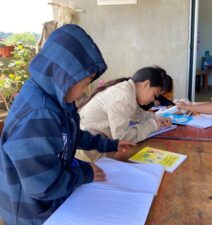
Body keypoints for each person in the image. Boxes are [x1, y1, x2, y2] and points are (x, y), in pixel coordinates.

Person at [0, 24, 133, 225]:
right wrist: (84, 173)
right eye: (84, 83)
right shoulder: (39, 115)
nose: (86, 91)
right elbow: (42, 186)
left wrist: (110, 145)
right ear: (65, 76)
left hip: (50, 196)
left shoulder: (58, 100)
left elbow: (72, 136)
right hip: (32, 211)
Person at [75, 67, 172, 162]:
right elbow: (123, 138)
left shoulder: (127, 90)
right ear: (146, 84)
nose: (152, 100)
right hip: (88, 152)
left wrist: (157, 118)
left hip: (94, 145)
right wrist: (153, 125)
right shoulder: (124, 95)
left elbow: (136, 112)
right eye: (154, 95)